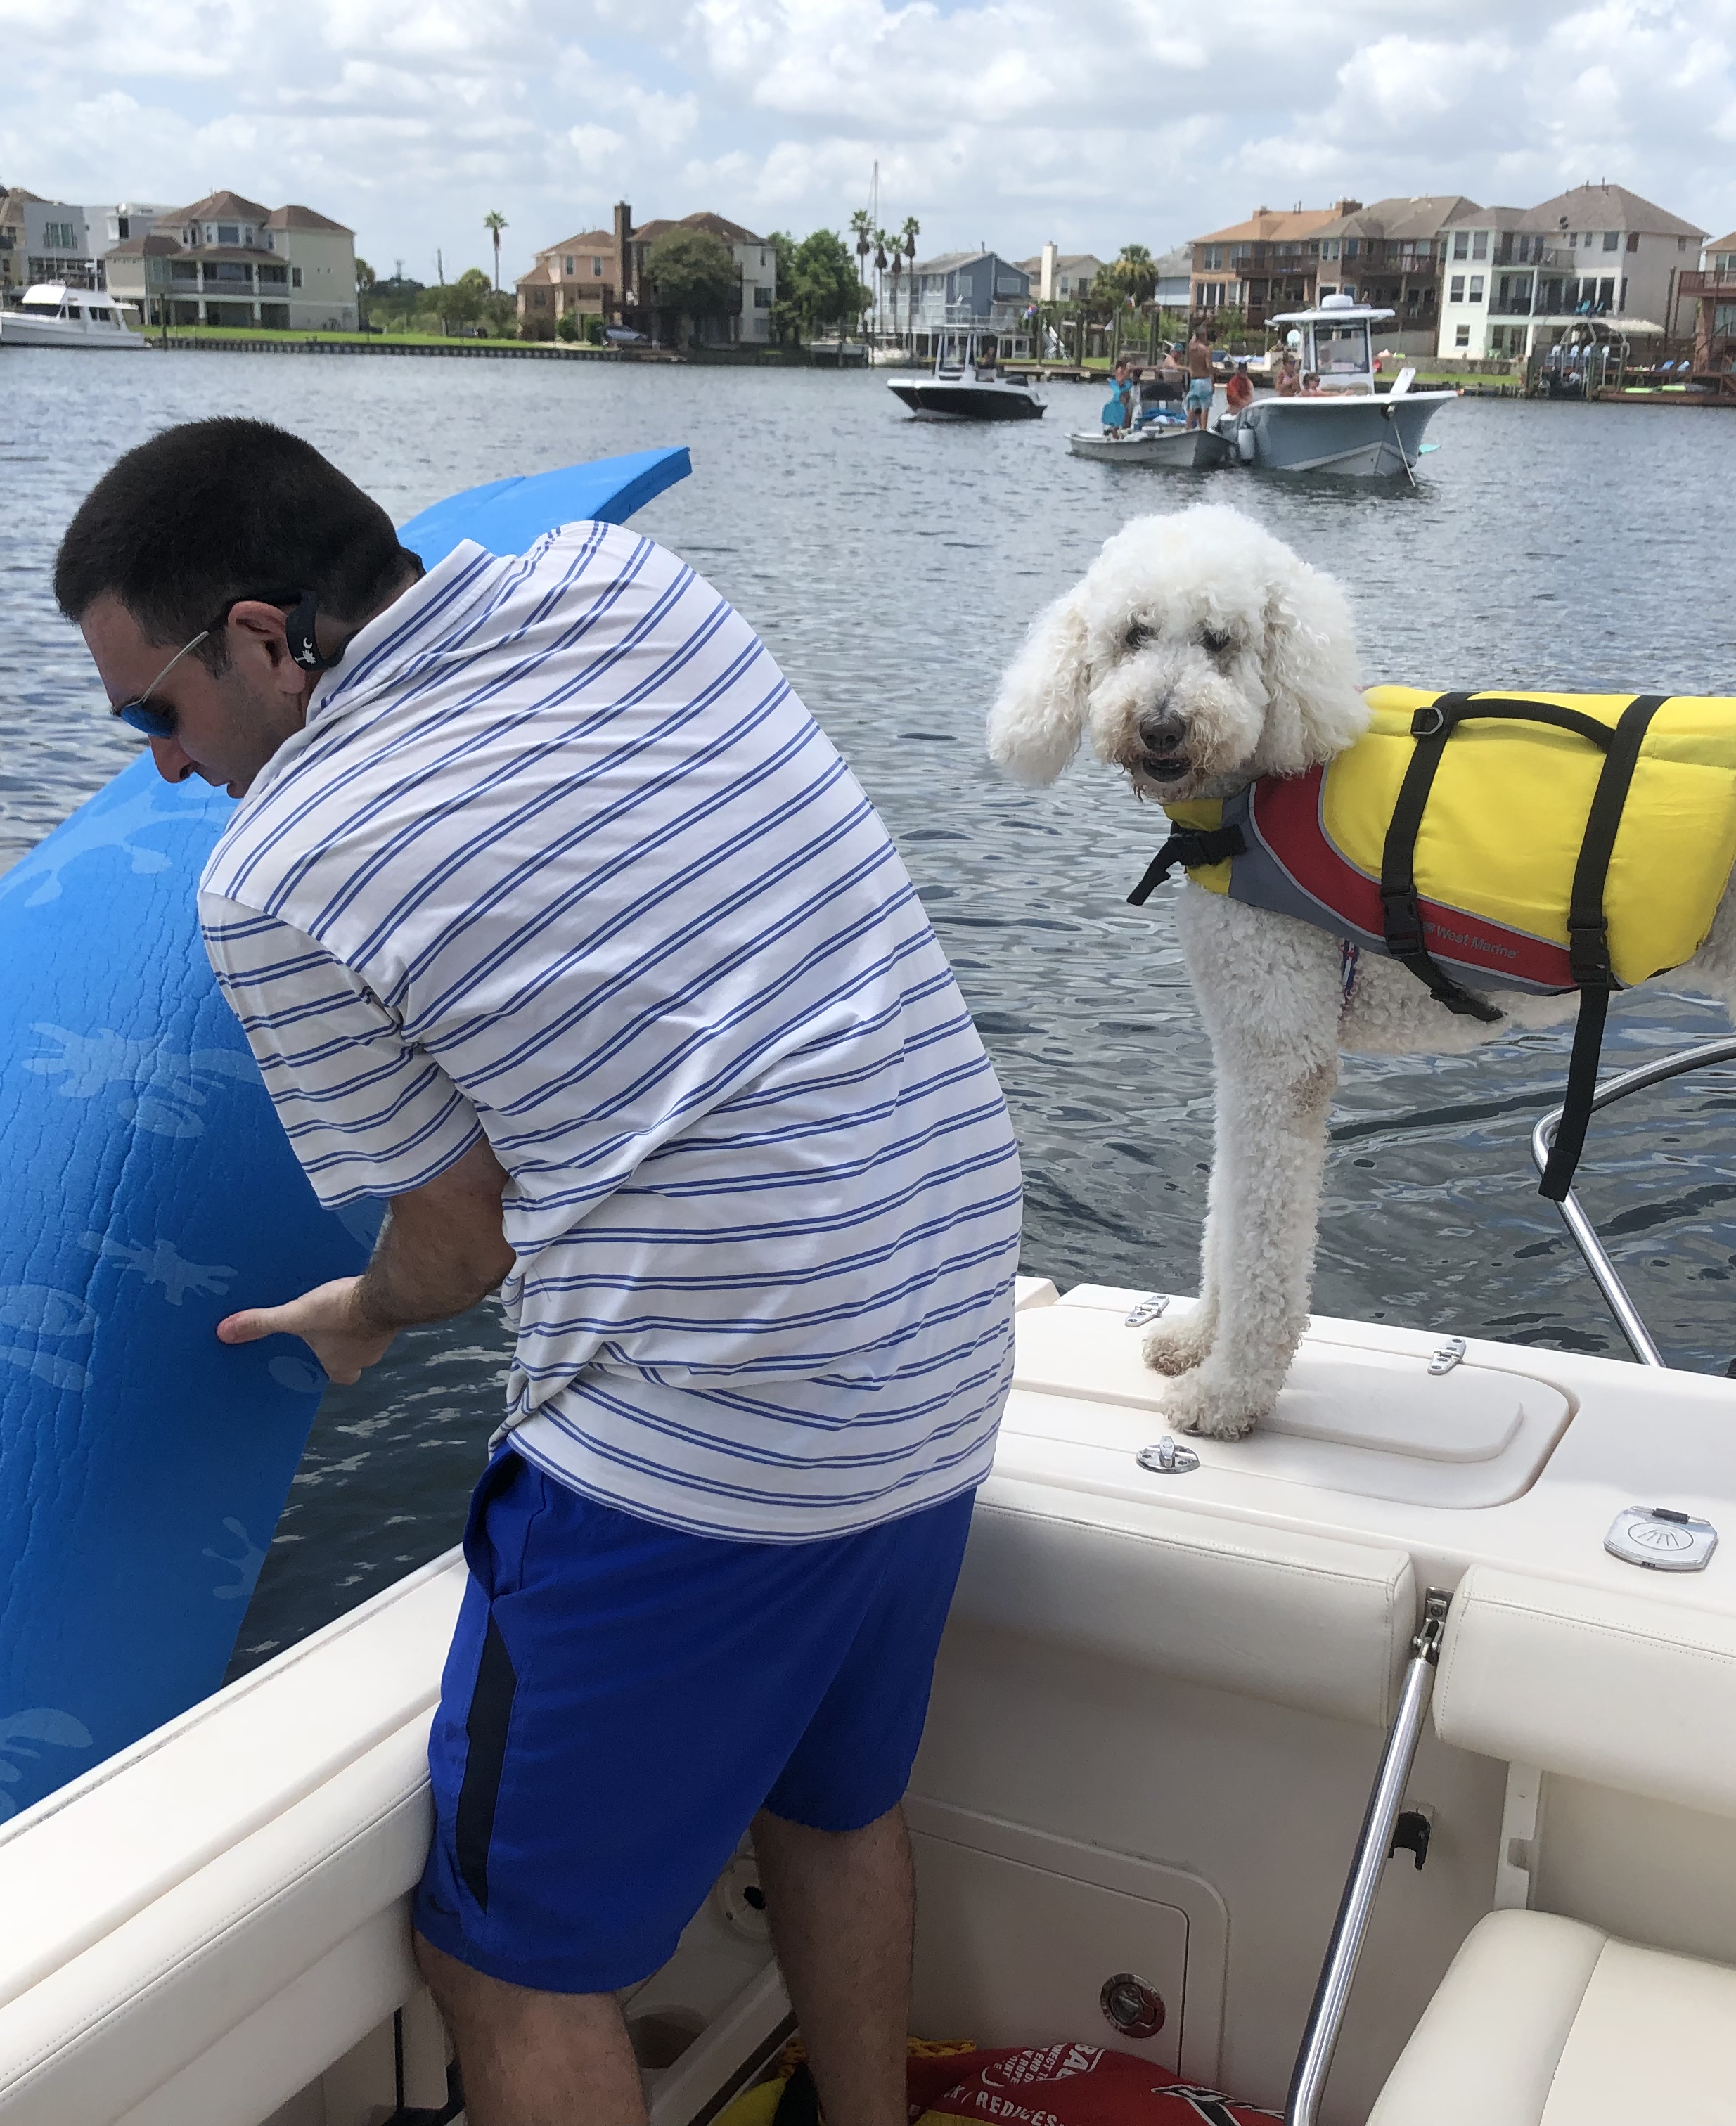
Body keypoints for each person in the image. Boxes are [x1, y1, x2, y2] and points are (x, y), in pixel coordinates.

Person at [55, 419, 1024, 2126]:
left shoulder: (277, 876)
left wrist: (356, 1318)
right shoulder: (625, 577)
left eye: (157, 710)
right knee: (834, 1801)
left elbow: (461, 1240)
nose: (160, 764)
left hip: (723, 1428)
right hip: (942, 1329)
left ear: (269, 640)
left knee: (510, 1965)